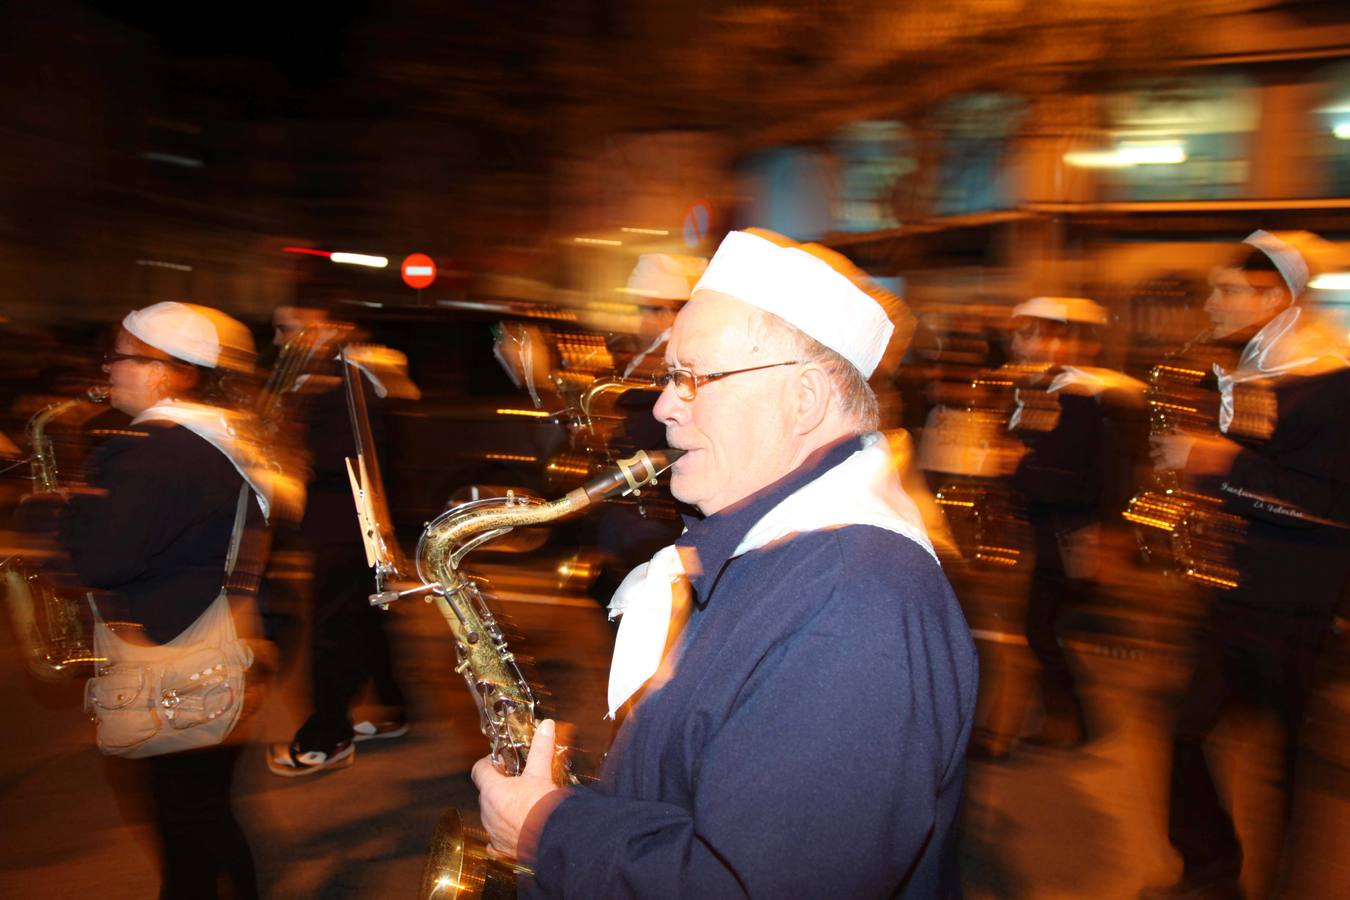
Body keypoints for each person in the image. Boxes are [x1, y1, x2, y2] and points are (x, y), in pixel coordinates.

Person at [473, 229, 979, 898]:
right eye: (667, 377)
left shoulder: (856, 603)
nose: (662, 407)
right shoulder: (790, 554)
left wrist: (550, 829)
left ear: (804, 398)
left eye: (694, 378)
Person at [1143, 231, 1350, 899]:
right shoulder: (1253, 366)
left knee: (1282, 763)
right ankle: (1212, 872)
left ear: (1275, 297)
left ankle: (1279, 883)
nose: (1211, 302)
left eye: (1226, 290)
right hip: (1233, 591)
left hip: (1296, 604)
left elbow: (1329, 505)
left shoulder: (1330, 379)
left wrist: (1221, 464)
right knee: (1189, 732)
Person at [44, 301, 272, 899]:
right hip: (213, 646)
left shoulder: (153, 453)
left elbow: (101, 561)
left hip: (171, 655)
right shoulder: (218, 438)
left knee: (186, 821)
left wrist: (53, 512)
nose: (110, 367)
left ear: (169, 371)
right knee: (205, 810)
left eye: (122, 356)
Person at [968, 296, 1131, 759]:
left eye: (1028, 333)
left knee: (1039, 629)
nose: (1016, 343)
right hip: (1034, 527)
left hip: (1064, 532)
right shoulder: (1041, 388)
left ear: (1061, 338)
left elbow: (1081, 479)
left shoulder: (1086, 397)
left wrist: (1013, 466)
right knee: (1037, 629)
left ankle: (1061, 719)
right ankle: (1059, 716)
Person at [265, 304, 411, 775]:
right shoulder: (337, 373)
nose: (278, 339)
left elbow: (345, 456)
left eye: (287, 327)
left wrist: (280, 459)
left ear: (324, 324)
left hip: (346, 525)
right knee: (366, 620)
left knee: (333, 631)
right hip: (350, 523)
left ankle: (327, 736)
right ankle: (392, 708)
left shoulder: (343, 375)